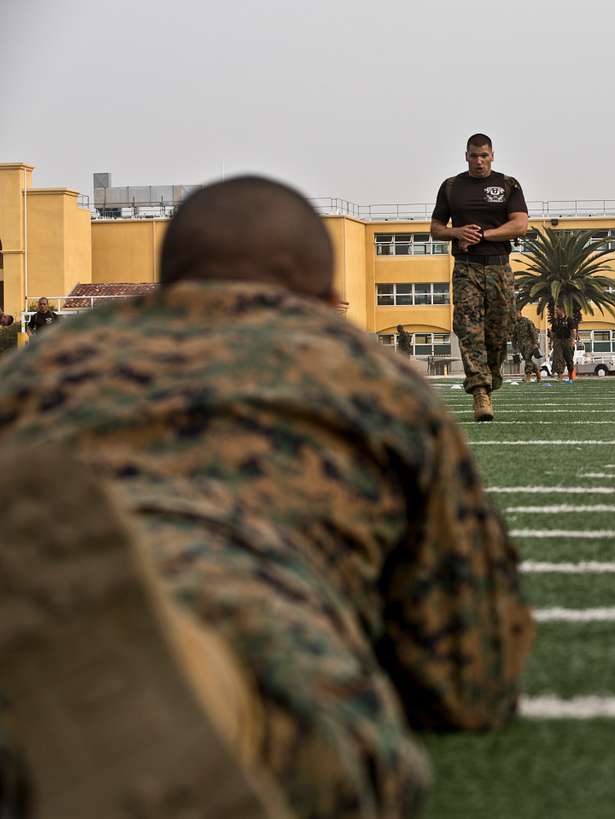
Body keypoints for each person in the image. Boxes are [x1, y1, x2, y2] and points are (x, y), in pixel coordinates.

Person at [0, 176, 534, 819]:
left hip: (33, 591)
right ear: (321, 294)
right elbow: (468, 672)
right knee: (307, 726)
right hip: (255, 598)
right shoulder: (363, 374)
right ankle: (206, 678)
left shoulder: (44, 365)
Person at [429, 134, 529, 422]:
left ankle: (490, 378)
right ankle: (480, 391)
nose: (479, 161)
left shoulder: (508, 184)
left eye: (484, 155)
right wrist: (456, 232)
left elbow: (520, 225)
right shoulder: (451, 187)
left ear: (492, 155)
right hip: (466, 267)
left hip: (499, 267)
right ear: (466, 156)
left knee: (499, 330)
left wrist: (484, 234)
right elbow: (436, 228)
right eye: (474, 156)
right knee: (468, 328)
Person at [549, 306, 578, 381]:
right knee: (558, 358)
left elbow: (573, 331)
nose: (556, 312)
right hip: (558, 341)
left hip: (567, 340)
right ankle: (560, 375)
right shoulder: (555, 321)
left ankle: (571, 376)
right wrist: (550, 342)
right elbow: (553, 332)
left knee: (569, 359)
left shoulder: (569, 319)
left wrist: (573, 340)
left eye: (557, 310)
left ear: (562, 310)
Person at [512, 309, 541, 383]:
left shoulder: (527, 322)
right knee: (528, 360)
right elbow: (514, 337)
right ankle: (537, 372)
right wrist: (514, 347)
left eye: (516, 315)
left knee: (528, 359)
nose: (515, 317)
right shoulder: (516, 324)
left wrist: (535, 343)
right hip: (521, 346)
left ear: (520, 314)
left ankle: (528, 377)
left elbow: (533, 333)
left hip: (529, 344)